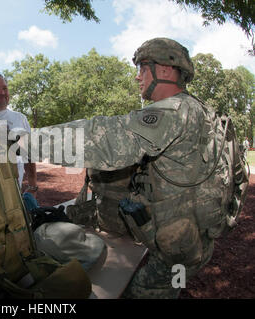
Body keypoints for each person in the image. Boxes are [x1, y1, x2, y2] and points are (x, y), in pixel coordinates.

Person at [29, 38, 227, 298]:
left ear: (165, 70)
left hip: (177, 249)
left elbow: (107, 140)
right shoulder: (201, 110)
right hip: (193, 240)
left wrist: (25, 142)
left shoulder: (176, 110)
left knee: (147, 290)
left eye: (143, 68)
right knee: (176, 282)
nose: (138, 77)